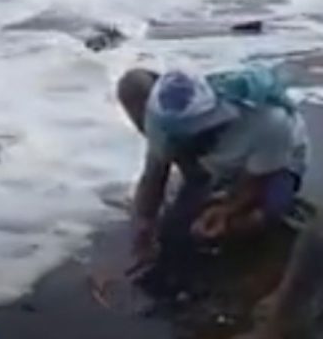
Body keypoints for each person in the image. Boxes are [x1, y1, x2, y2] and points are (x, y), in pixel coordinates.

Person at [116, 66, 310, 296]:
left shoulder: (268, 122)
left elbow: (254, 183)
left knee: (257, 216)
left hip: (275, 163)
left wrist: (227, 210)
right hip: (214, 159)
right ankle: (203, 183)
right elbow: (154, 175)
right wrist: (144, 225)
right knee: (133, 84)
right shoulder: (166, 123)